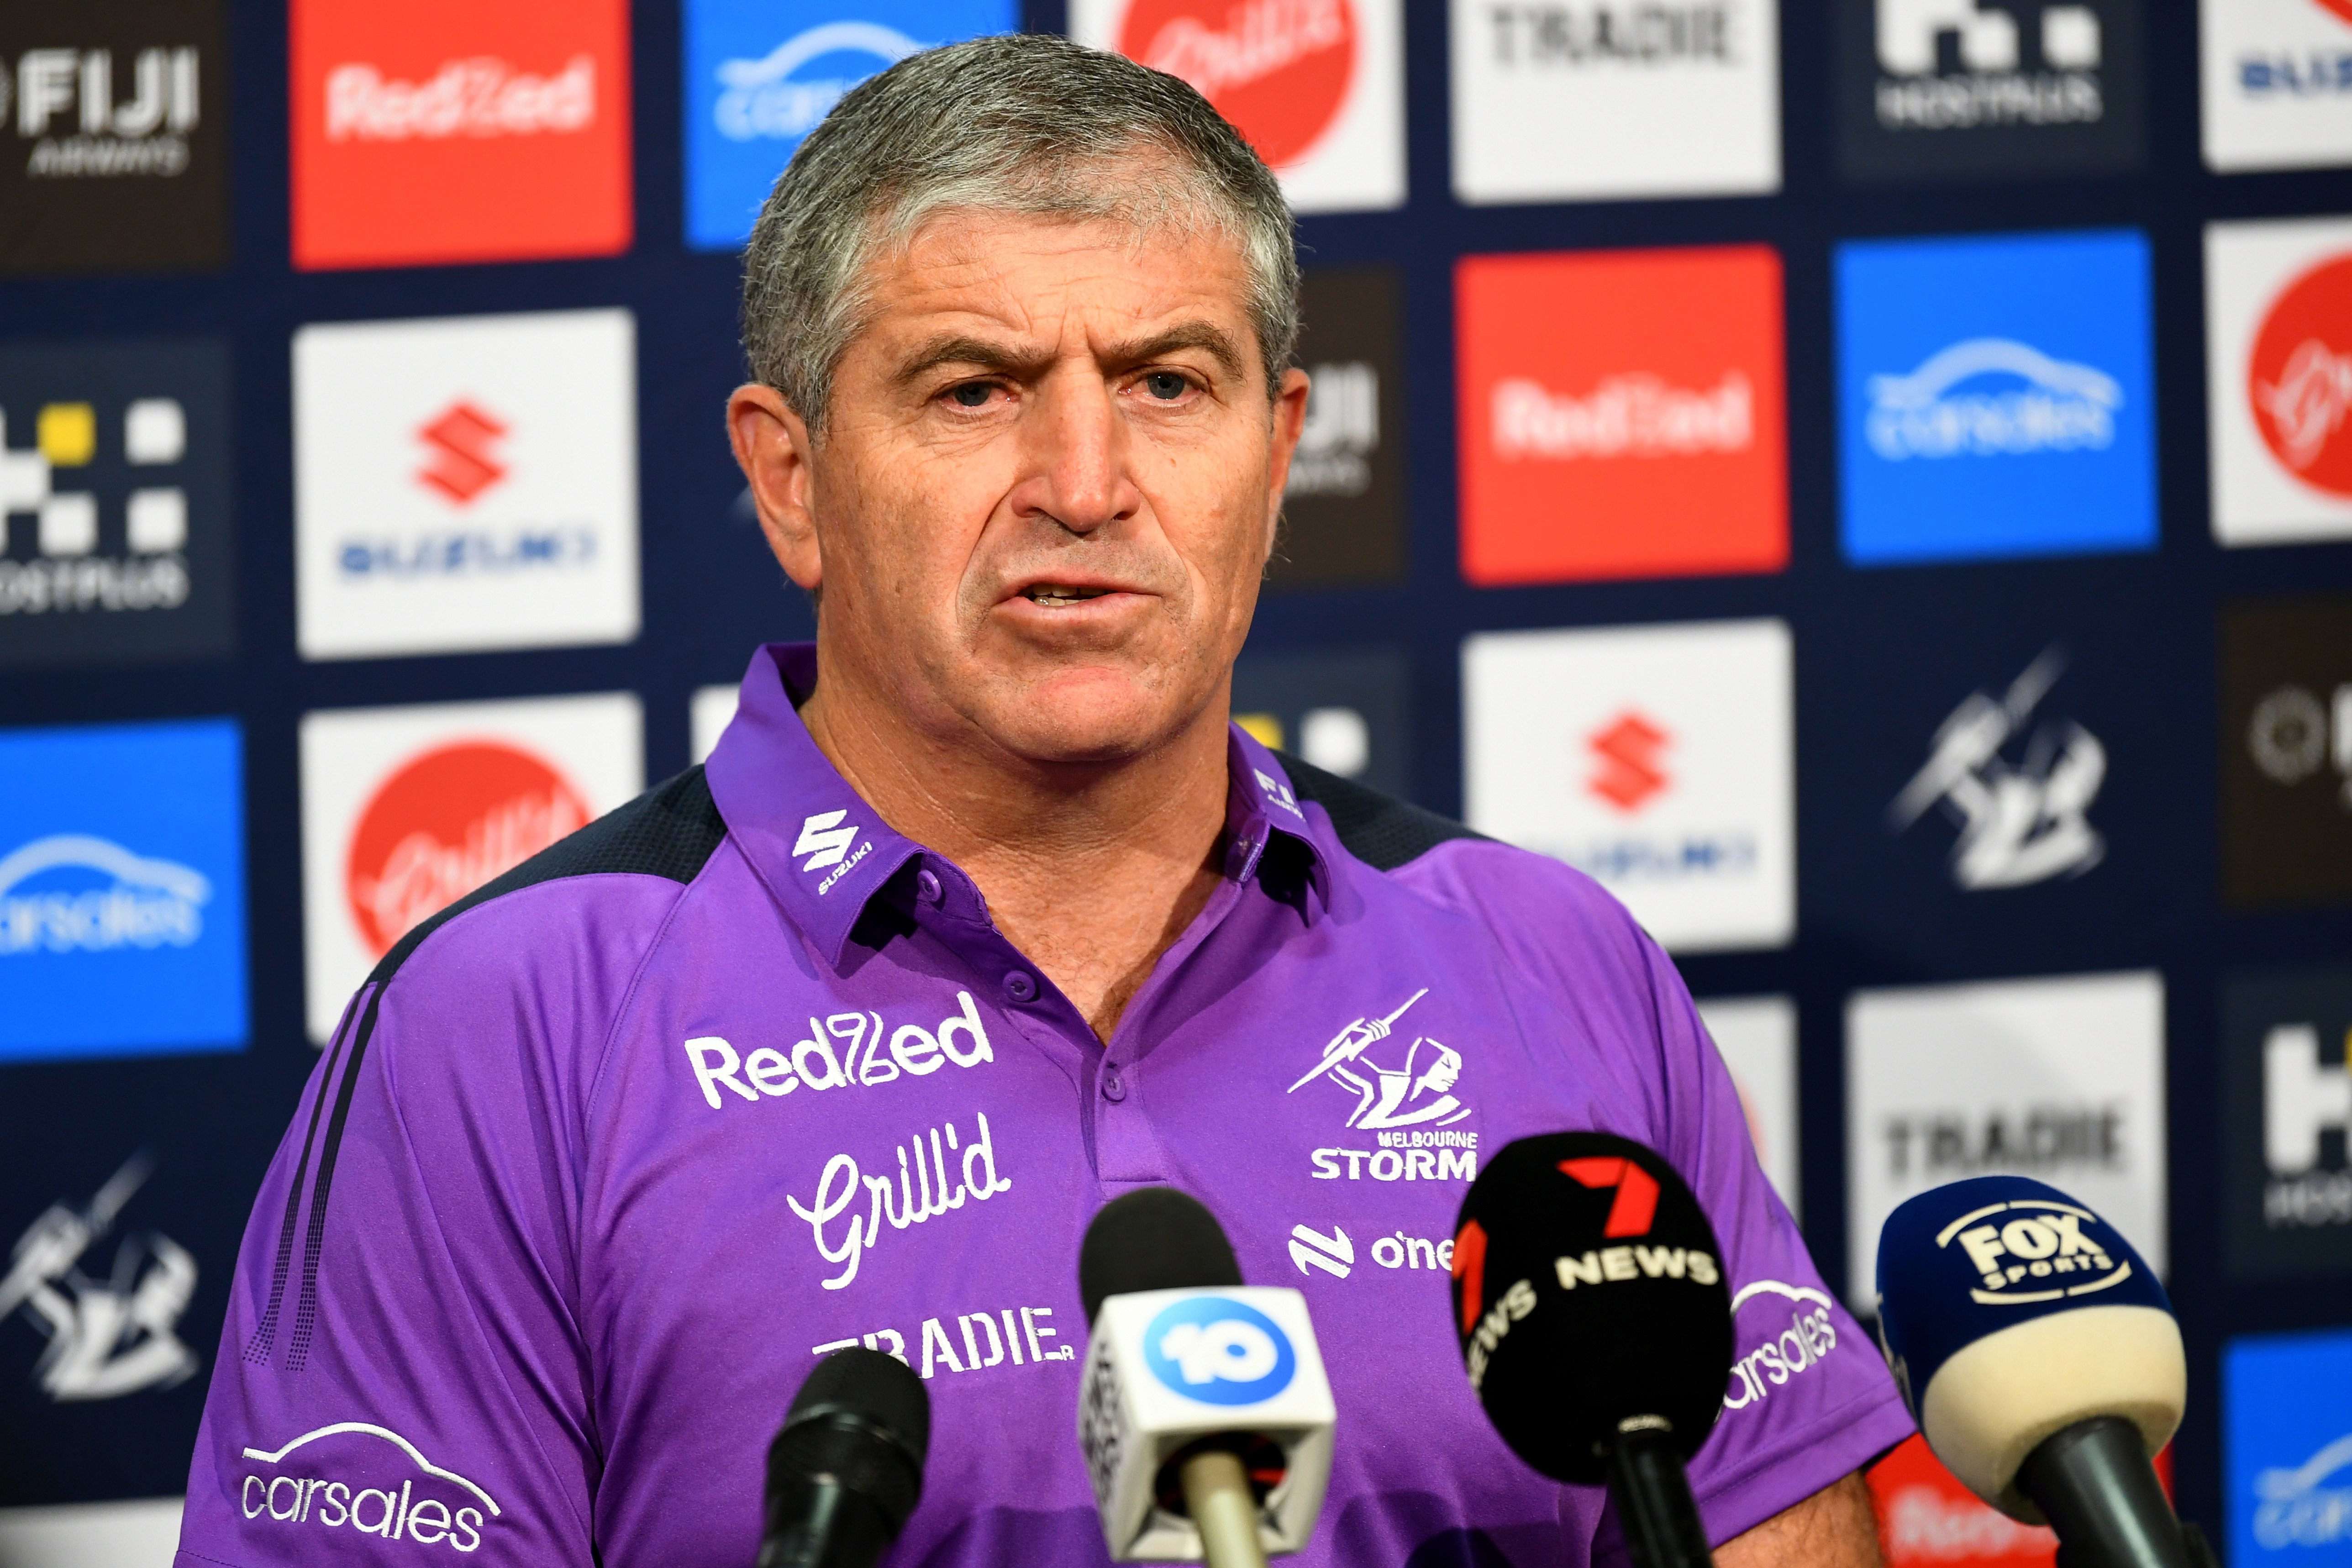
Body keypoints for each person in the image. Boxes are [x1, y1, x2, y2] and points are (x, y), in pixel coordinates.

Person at [177, 34, 1910, 1568]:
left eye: (1169, 383)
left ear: (1278, 442)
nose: (1085, 487)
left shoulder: (1551, 958)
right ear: (794, 480)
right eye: (976, 390)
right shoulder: (502, 1024)